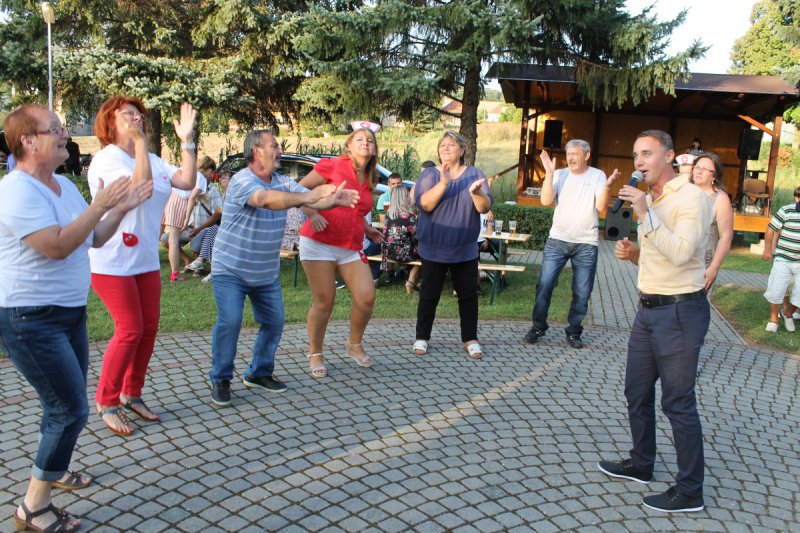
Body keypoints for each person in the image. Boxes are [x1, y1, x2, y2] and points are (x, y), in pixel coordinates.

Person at [0, 104, 151, 533]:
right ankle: (33, 508)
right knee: (68, 409)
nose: (65, 134)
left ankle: (55, 468)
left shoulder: (63, 185)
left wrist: (118, 208)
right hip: (30, 319)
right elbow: (58, 245)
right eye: (56, 129)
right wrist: (100, 203)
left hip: (69, 315)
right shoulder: (16, 190)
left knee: (63, 405)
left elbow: (95, 237)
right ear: (28, 141)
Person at [598, 129, 711, 513]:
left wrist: (646, 213)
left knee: (677, 402)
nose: (639, 161)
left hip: (680, 311)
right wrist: (634, 255)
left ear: (669, 156)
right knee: (636, 391)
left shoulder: (691, 198)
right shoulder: (653, 199)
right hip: (648, 310)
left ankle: (690, 491)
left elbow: (682, 253)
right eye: (635, 155)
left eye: (647, 153)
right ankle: (642, 462)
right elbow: (659, 257)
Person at [209, 129, 358, 402]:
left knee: (274, 321)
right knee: (230, 321)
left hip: (265, 272)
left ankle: (259, 372)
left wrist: (333, 200)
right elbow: (265, 200)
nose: (279, 151)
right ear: (257, 151)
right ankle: (221, 379)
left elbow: (312, 198)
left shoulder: (282, 181)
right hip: (231, 269)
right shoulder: (242, 180)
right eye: (274, 146)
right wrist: (308, 198)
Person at [88, 96, 198, 436]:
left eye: (139, 114)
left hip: (145, 259)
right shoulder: (106, 160)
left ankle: (131, 393)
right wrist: (138, 144)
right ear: (110, 123)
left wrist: (187, 141)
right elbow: (141, 190)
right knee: (130, 329)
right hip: (112, 260)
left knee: (148, 329)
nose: (137, 118)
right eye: (128, 114)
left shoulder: (151, 158)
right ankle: (106, 400)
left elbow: (187, 181)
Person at [297, 128, 383, 378]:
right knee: (325, 301)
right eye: (359, 139)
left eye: (370, 140)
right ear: (348, 145)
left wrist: (367, 228)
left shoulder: (370, 176)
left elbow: (355, 210)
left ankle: (353, 344)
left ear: (374, 149)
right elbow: (299, 191)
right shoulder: (332, 165)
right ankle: (315, 353)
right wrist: (312, 214)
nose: (365, 143)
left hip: (350, 246)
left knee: (366, 296)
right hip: (319, 243)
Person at [524, 140, 620, 349]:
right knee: (545, 284)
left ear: (587, 155)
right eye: (568, 154)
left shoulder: (597, 176)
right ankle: (538, 326)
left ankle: (574, 331)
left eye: (575, 153)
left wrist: (608, 186)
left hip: (586, 243)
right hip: (557, 240)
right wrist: (549, 174)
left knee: (582, 291)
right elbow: (545, 200)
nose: (571, 158)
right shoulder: (559, 174)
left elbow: (601, 206)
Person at [412, 131, 493, 359]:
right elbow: (425, 205)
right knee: (429, 295)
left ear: (462, 149)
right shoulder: (429, 174)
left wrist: (476, 193)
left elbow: (484, 207)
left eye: (451, 144)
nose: (445, 148)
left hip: (464, 248)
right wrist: (443, 183)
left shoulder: (474, 174)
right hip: (434, 247)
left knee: (468, 296)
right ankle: (422, 337)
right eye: (442, 145)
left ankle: (470, 339)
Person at [689, 152, 733, 290]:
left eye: (705, 169)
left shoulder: (720, 198)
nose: (699, 171)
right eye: (697, 167)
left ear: (714, 176)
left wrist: (713, 268)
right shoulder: (683, 191)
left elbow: (726, 237)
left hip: (702, 265)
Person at [761, 187, 800, 332]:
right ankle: (773, 320)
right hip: (783, 258)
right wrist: (767, 249)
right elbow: (771, 229)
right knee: (777, 289)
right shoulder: (786, 210)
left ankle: (788, 313)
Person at [162, 163, 207, 281]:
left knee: (172, 241)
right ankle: (175, 274)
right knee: (174, 241)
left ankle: (174, 273)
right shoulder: (200, 178)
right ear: (209, 171)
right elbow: (192, 198)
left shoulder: (182, 170)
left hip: (170, 199)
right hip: (180, 202)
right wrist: (186, 219)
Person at [382, 185, 420, 294]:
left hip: (388, 253)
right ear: (405, 198)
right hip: (403, 254)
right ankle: (411, 281)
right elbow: (416, 237)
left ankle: (408, 274)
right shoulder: (409, 217)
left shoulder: (388, 215)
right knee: (425, 253)